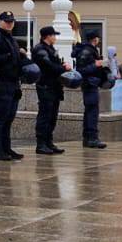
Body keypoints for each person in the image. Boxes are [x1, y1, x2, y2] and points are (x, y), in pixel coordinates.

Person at [0, 11, 25, 161]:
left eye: (11, 21)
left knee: (9, 117)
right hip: (2, 81)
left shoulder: (11, 39)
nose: (9, 24)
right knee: (1, 117)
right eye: (6, 21)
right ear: (0, 21)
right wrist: (10, 55)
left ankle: (6, 148)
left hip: (13, 81)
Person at [31, 26, 67, 155]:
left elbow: (55, 64)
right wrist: (63, 68)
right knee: (45, 115)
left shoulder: (50, 49)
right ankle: (41, 144)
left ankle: (49, 142)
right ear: (47, 36)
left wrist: (62, 66)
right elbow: (49, 66)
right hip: (45, 85)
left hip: (54, 86)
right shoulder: (40, 49)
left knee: (52, 115)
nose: (55, 38)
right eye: (53, 35)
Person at [73, 32, 108, 149]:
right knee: (92, 111)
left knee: (91, 110)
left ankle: (89, 138)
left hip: (92, 83)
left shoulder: (90, 50)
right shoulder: (86, 51)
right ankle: (91, 138)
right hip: (89, 84)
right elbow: (81, 69)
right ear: (95, 39)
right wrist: (96, 65)